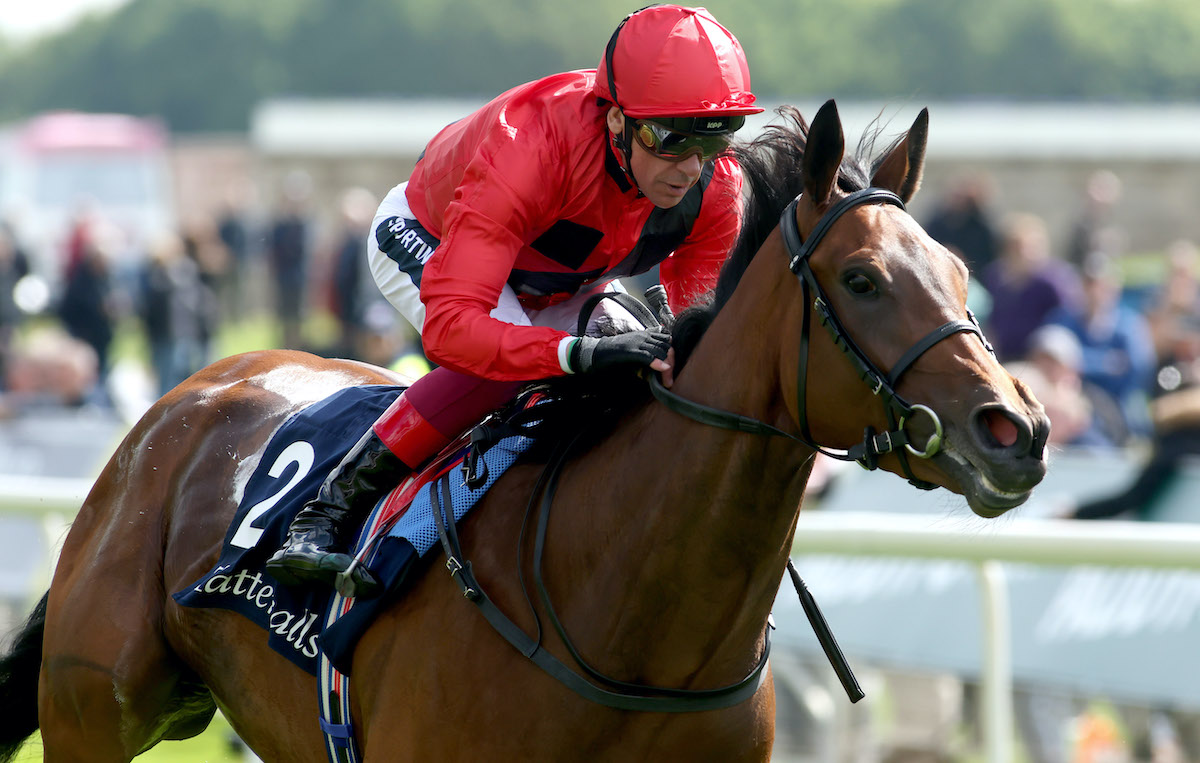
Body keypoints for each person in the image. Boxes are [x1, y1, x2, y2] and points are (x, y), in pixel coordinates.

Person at [266, 4, 762, 595]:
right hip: (430, 237)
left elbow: (698, 345)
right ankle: (328, 511)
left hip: (558, 281)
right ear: (616, 123)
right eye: (671, 139)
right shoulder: (530, 146)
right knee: (505, 371)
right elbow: (454, 329)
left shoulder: (716, 187)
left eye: (714, 140)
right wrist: (576, 354)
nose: (690, 167)